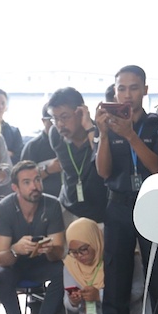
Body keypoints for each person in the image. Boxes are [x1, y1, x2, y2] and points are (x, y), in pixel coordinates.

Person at [94, 65, 158, 314]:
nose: (126, 94)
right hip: (119, 206)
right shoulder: (108, 126)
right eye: (120, 88)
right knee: (116, 280)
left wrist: (130, 135)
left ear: (145, 89)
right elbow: (103, 172)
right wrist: (103, 134)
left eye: (133, 87)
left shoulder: (157, 124)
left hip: (152, 205)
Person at [0, 160, 66, 314]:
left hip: (42, 262)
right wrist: (16, 249)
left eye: (36, 180)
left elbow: (58, 252)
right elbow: (1, 257)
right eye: (27, 182)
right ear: (15, 187)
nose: (34, 186)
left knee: (64, 271)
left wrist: (50, 249)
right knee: (1, 276)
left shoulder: (51, 205)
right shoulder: (5, 208)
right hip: (14, 264)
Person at [62, 218, 156, 314]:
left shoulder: (123, 256)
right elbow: (67, 301)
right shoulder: (71, 264)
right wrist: (74, 301)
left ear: (95, 241)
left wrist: (99, 296)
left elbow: (137, 291)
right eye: (73, 252)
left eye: (83, 249)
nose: (79, 256)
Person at [47, 88, 107, 225]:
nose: (60, 125)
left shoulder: (100, 132)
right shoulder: (55, 135)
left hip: (101, 212)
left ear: (81, 112)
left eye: (65, 117)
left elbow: (103, 163)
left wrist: (90, 128)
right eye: (55, 119)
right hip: (68, 207)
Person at [20, 104, 62, 200]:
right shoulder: (32, 147)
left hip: (70, 201)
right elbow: (22, 180)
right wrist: (48, 170)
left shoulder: (69, 142)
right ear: (43, 121)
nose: (57, 124)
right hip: (41, 201)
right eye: (52, 120)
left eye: (61, 118)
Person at [0, 89, 23, 164]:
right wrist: (7, 153)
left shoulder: (14, 132)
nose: (0, 106)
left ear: (6, 107)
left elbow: (19, 157)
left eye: (3, 103)